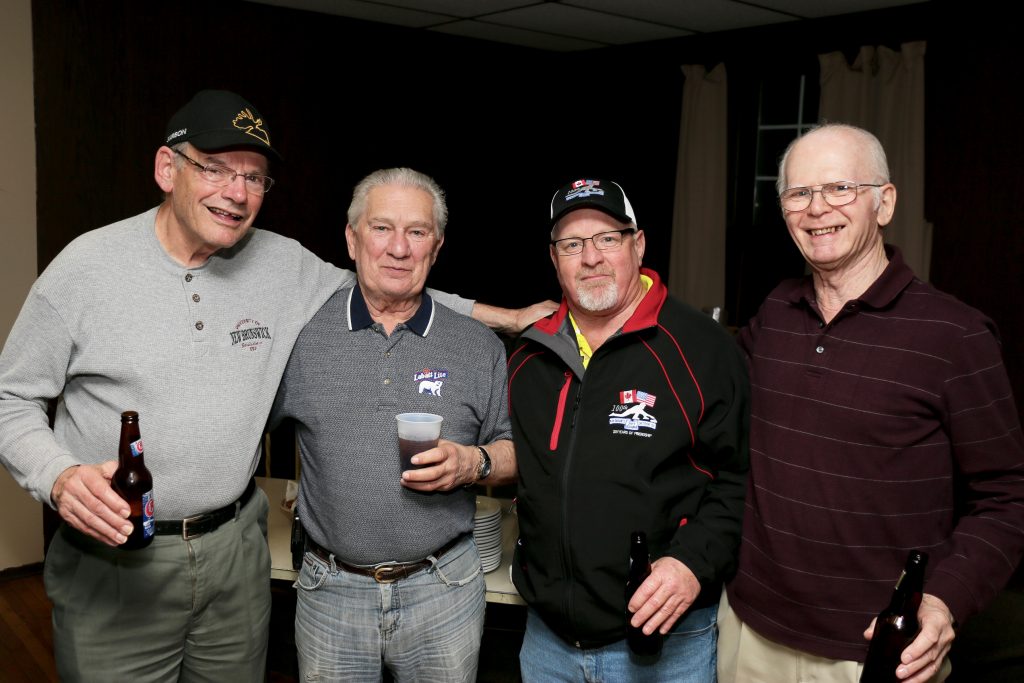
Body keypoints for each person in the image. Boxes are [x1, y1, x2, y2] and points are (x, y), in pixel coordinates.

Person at [0, 90, 549, 681]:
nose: (236, 192)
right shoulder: (86, 268)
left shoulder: (281, 264)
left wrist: (506, 318)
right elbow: (10, 398)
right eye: (214, 168)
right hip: (117, 557)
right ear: (166, 169)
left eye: (254, 178)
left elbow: (389, 284)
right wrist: (57, 476)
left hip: (236, 556)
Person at [719, 123, 1024, 683]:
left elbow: (1007, 498)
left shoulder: (955, 335)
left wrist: (943, 601)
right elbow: (701, 395)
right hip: (749, 632)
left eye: (839, 189)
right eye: (799, 193)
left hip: (877, 650)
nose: (816, 209)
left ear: (883, 204)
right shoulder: (775, 314)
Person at [269, 167, 514, 682]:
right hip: (329, 590)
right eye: (381, 228)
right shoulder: (303, 337)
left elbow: (518, 451)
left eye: (417, 232)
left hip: (444, 588)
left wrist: (475, 462)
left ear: (437, 245)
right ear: (352, 240)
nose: (399, 248)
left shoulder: (478, 346)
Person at [506, 178, 750, 682]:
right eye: (572, 244)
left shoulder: (702, 348)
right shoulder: (529, 356)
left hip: (665, 640)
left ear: (638, 244)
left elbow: (742, 478)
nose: (590, 257)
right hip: (547, 641)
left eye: (607, 239)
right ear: (554, 260)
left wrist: (690, 564)